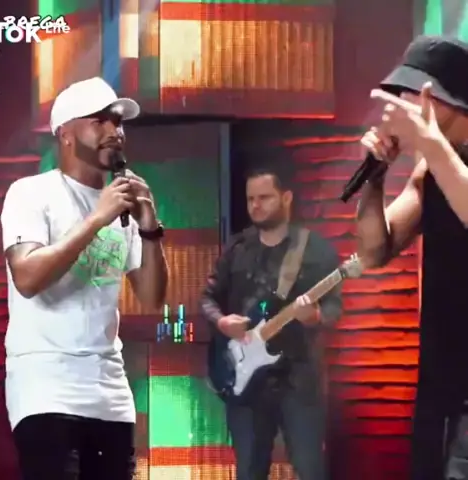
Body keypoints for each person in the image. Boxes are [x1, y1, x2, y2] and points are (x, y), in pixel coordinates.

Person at [0, 77, 168, 480]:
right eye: (99, 121)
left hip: (110, 390)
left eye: (118, 122)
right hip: (45, 386)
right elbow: (27, 277)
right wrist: (96, 218)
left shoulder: (123, 204)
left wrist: (150, 228)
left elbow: (152, 298)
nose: (115, 131)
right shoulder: (31, 193)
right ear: (66, 134)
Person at [355, 36, 468, 480]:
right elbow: (372, 252)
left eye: (411, 96)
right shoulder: (429, 171)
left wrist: (430, 143)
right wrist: (375, 177)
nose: (402, 108)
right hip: (442, 378)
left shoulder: (440, 162)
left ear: (447, 100)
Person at [200, 165, 343, 480]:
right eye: (251, 199)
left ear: (286, 198)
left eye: (264, 197)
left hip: (299, 380)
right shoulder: (237, 249)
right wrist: (222, 322)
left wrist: (316, 316)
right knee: (249, 471)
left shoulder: (315, 249)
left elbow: (334, 306)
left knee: (310, 469)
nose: (255, 205)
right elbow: (207, 299)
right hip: (245, 382)